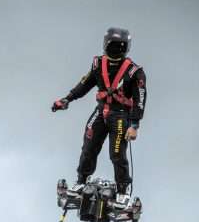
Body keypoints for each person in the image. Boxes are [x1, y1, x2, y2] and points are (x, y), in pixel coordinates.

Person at [52, 27, 147, 208]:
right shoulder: (97, 64)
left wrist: (134, 124)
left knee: (117, 154)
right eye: (112, 45)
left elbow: (140, 99)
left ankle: (123, 189)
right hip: (101, 111)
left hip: (120, 116)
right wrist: (67, 99)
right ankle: (82, 180)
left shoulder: (134, 72)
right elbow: (84, 84)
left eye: (119, 46)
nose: (115, 48)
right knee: (88, 147)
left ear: (125, 47)